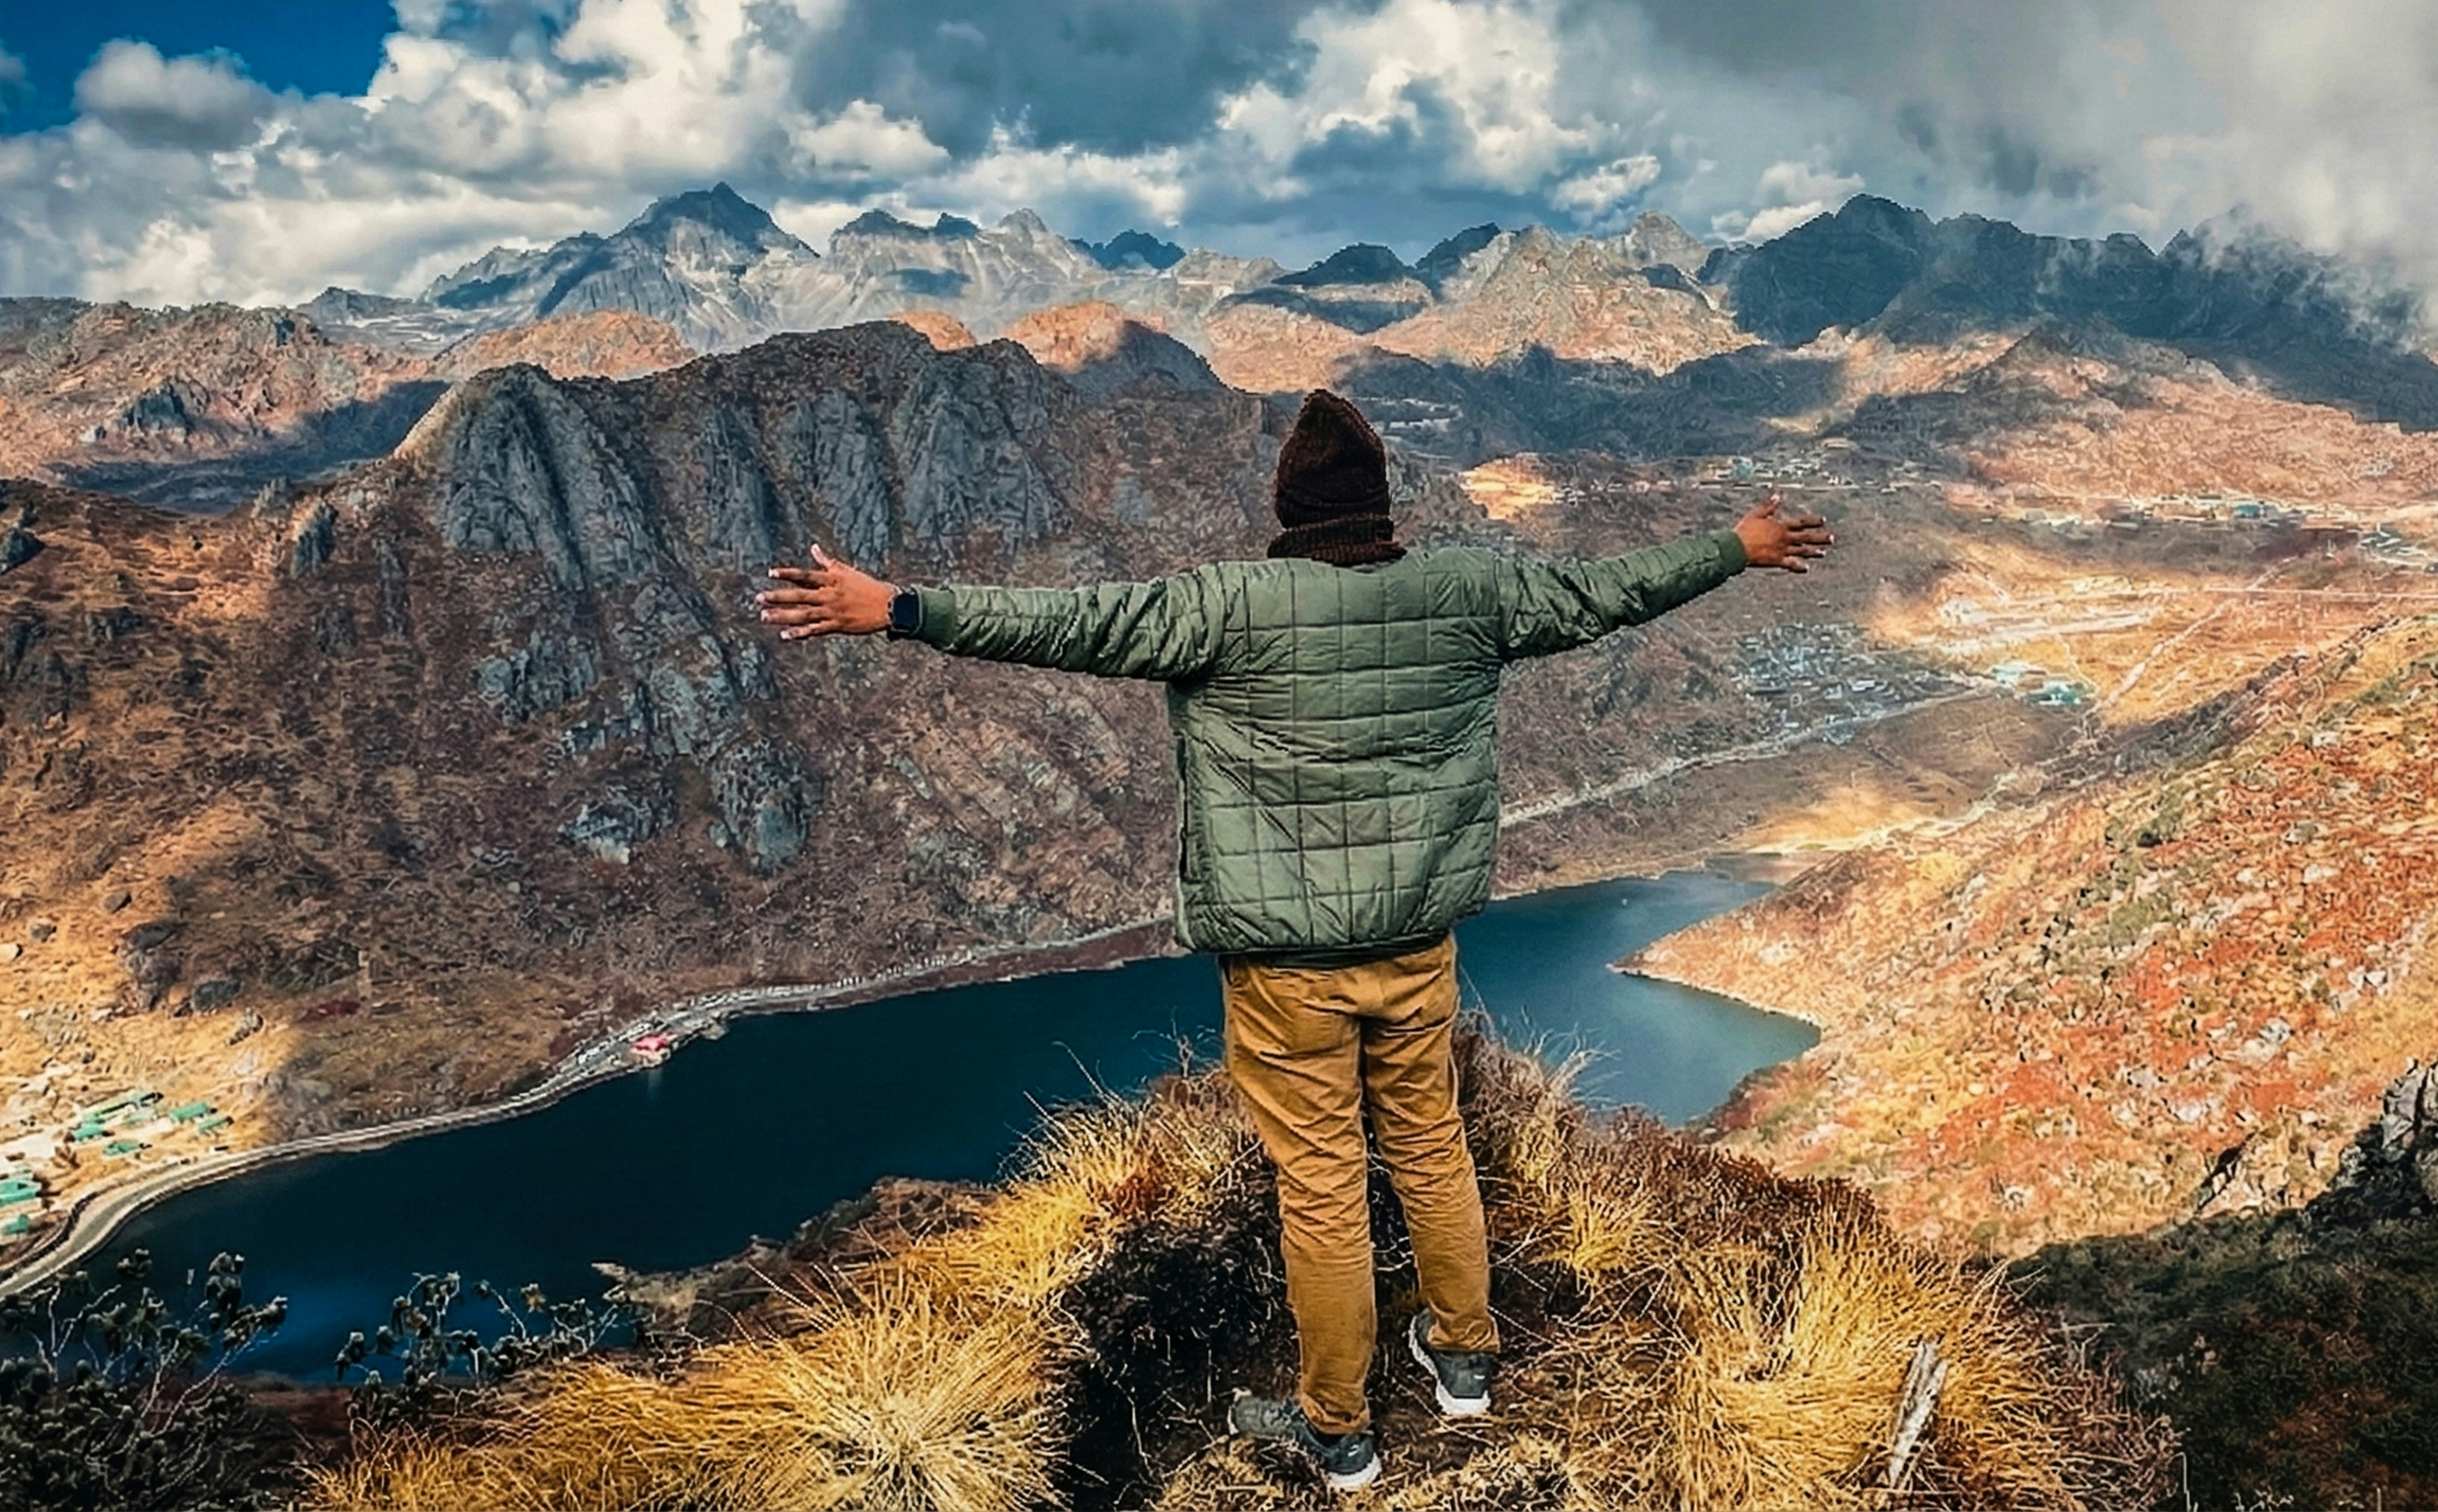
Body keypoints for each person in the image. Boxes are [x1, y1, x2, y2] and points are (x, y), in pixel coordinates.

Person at [757, 388, 1831, 1491]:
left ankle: (1339, 1429)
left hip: (1285, 970)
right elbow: (1606, 592)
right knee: (1430, 1143)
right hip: (1414, 942)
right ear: (1379, 503)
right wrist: (1733, 548)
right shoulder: (1468, 592)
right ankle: (1465, 1361)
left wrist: (900, 608)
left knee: (1321, 1185)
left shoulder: (1224, 606)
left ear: (1287, 509)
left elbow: (1064, 625)